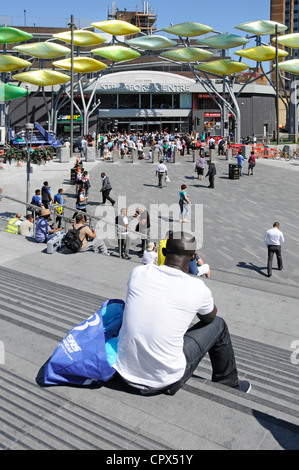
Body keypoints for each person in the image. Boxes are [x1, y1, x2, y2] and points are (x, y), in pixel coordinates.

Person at [113, 231, 251, 396]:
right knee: (219, 324)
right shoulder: (197, 288)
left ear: (163, 252)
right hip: (164, 380)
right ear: (193, 257)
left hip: (123, 370)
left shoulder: (139, 273)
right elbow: (210, 317)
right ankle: (229, 384)